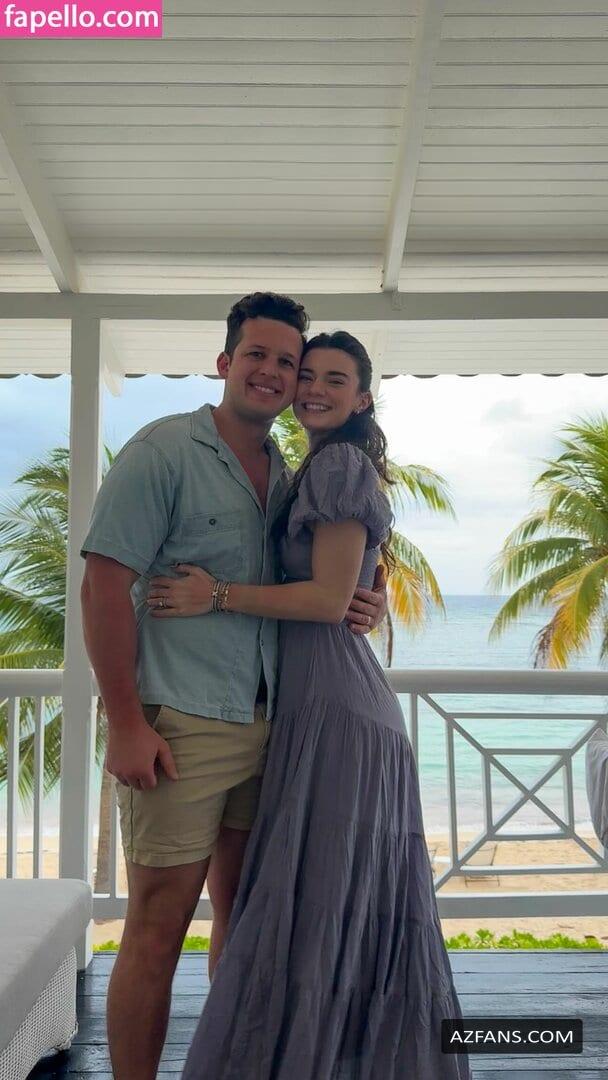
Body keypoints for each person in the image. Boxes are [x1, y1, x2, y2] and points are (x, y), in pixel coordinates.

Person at [148, 331, 471, 1080]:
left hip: (339, 713)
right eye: (309, 375)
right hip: (319, 705)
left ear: (362, 399)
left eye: (336, 379)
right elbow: (348, 583)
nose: (316, 388)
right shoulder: (311, 468)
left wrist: (215, 595)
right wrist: (368, 592)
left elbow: (327, 600)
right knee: (317, 906)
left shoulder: (339, 467)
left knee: (322, 903)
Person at [79, 294, 386, 1080]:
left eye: (289, 362)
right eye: (259, 355)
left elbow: (322, 576)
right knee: (157, 927)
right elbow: (103, 587)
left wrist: (367, 594)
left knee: (246, 925)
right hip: (181, 726)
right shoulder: (164, 451)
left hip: (274, 725)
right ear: (225, 362)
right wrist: (124, 723)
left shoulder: (289, 472)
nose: (276, 373)